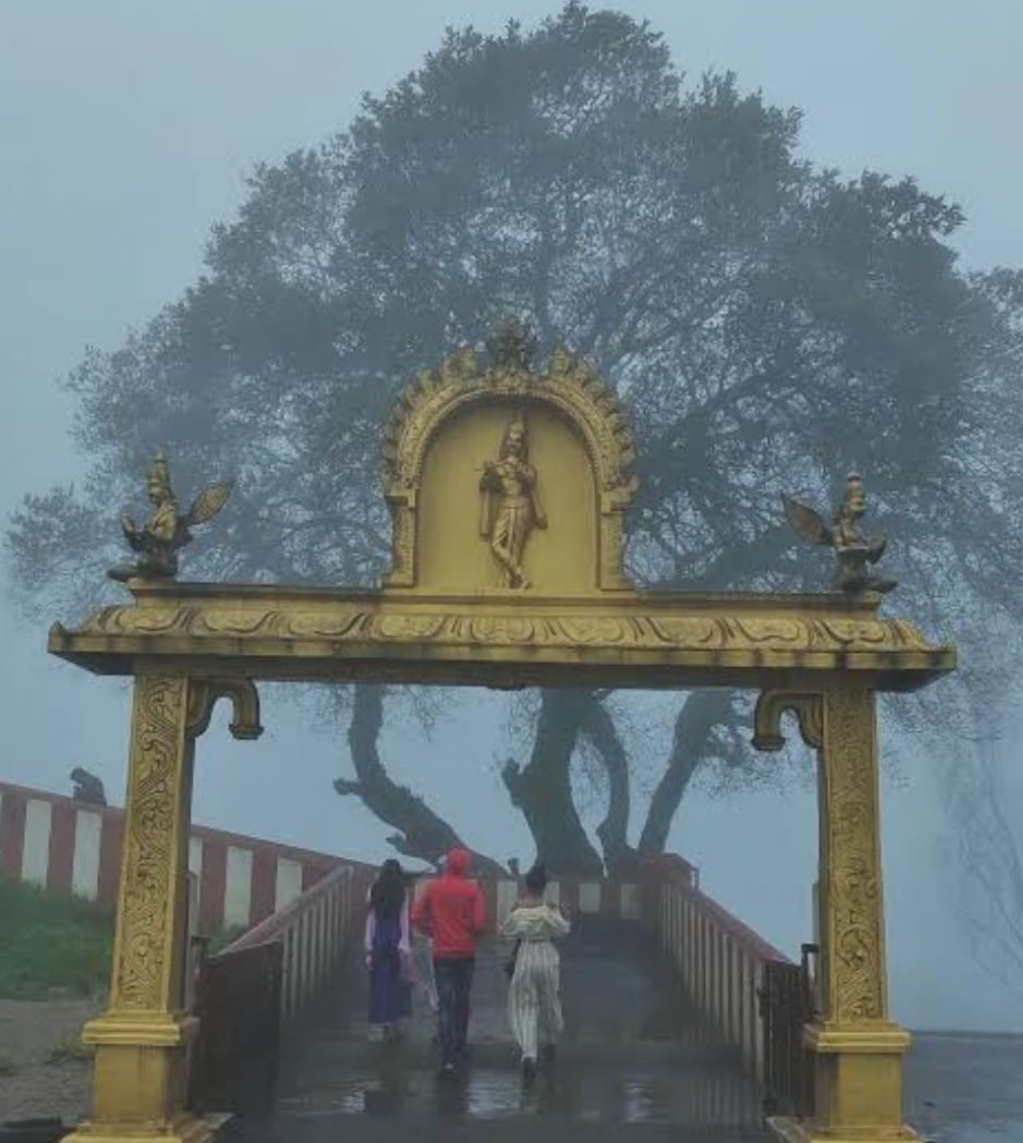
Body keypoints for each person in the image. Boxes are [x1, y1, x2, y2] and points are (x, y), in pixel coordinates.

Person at [411, 847, 485, 1075]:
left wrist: (431, 930)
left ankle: (447, 1057)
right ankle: (460, 1046)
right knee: (462, 1001)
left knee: (445, 1002)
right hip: (465, 953)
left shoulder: (434, 888)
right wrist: (470, 934)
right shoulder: (472, 891)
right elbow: (480, 925)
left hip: (441, 953)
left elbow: (415, 916)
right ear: (465, 866)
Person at [499, 862, 570, 1082]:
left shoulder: (520, 912)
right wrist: (563, 913)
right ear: (544, 886)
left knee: (526, 1005)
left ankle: (529, 1054)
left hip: (526, 955)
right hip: (547, 955)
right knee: (550, 1001)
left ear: (527, 885)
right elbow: (563, 929)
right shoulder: (549, 910)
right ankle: (551, 1041)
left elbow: (506, 931)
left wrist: (513, 911)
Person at [365, 859, 413, 1041]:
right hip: (396, 939)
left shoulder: (374, 890)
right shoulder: (401, 893)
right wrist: (405, 945)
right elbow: (404, 920)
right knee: (398, 983)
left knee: (378, 983)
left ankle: (378, 1022)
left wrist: (368, 946)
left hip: (379, 940)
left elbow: (371, 920)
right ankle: (395, 1021)